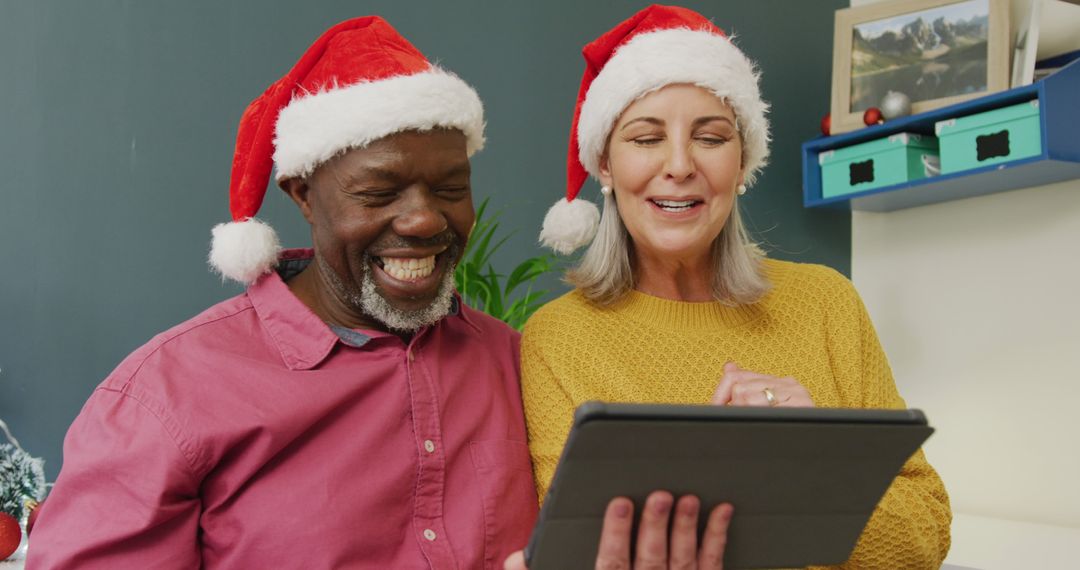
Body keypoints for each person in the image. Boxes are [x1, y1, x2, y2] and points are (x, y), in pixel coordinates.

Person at [26, 17, 539, 569]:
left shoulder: (521, 365)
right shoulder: (165, 397)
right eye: (378, 192)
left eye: (450, 189)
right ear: (303, 196)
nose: (421, 219)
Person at [523, 5, 952, 568]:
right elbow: (580, 555)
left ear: (742, 159)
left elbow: (928, 533)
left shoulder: (827, 303)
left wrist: (815, 461)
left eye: (710, 136)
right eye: (646, 138)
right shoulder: (556, 340)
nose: (679, 165)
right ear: (604, 164)